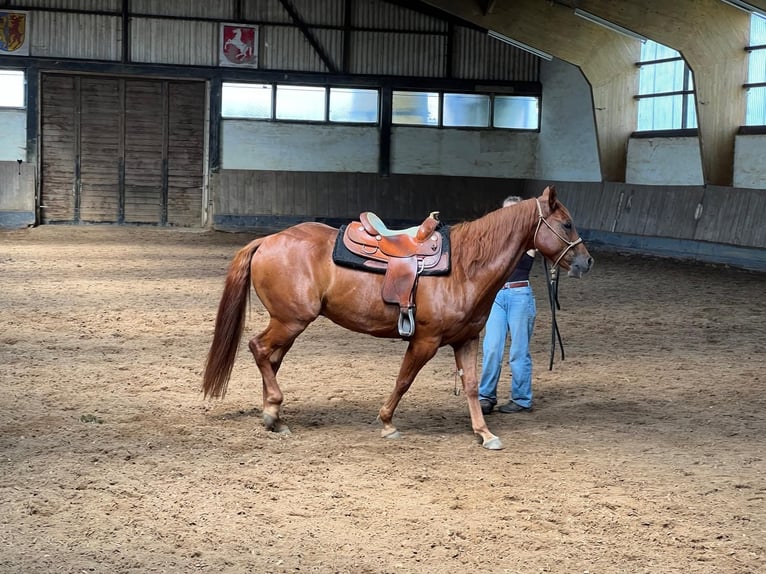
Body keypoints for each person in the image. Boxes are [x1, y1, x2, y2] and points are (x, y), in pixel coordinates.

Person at [479, 195, 537, 415]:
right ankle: (486, 396)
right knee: (492, 348)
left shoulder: (528, 238)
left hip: (519, 294)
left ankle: (522, 399)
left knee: (519, 350)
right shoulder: (495, 239)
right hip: (496, 296)